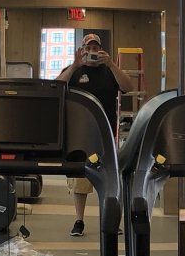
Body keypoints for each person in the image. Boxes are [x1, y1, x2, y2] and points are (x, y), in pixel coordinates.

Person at [57, 34, 136, 236]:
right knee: (80, 179)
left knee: (109, 178)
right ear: (82, 50)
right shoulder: (74, 70)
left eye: (95, 48)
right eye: (88, 48)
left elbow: (128, 87)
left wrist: (111, 64)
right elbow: (56, 87)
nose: (92, 51)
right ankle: (79, 220)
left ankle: (110, 219)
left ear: (101, 49)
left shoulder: (109, 71)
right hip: (80, 135)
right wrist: (74, 66)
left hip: (105, 133)